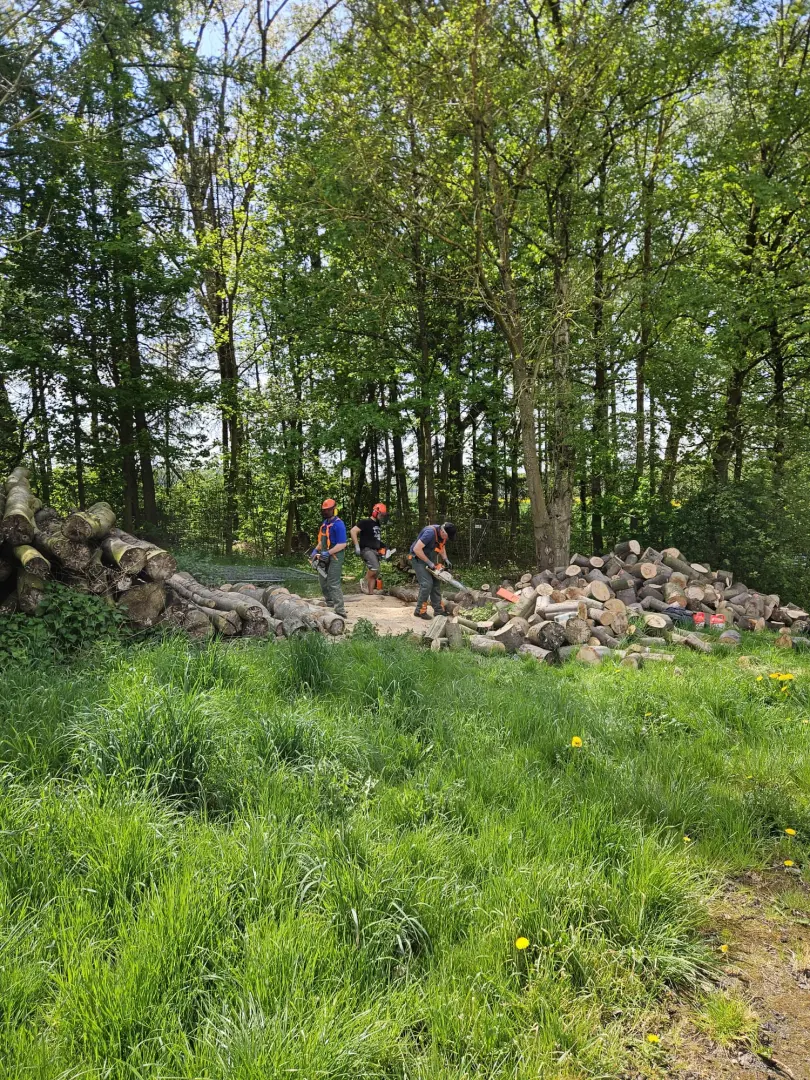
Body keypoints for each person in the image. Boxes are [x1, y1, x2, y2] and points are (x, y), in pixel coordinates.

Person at [409, 521, 457, 619]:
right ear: (443, 532)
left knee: (436, 583)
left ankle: (438, 610)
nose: (447, 539)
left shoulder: (443, 536)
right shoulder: (430, 533)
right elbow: (416, 549)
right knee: (426, 584)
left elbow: (442, 546)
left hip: (430, 559)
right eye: (447, 537)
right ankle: (419, 611)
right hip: (418, 559)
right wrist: (430, 563)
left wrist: (446, 559)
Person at [312, 498, 348, 617]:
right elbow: (322, 540)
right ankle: (330, 603)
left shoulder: (339, 524)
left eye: (328, 510)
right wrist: (315, 550)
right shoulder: (325, 523)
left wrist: (328, 552)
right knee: (322, 580)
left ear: (334, 510)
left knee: (333, 582)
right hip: (324, 553)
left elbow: (342, 544)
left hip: (335, 555)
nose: (325, 512)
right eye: (324, 510)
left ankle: (340, 611)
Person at [351, 502, 390, 594]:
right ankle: (364, 581)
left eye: (383, 515)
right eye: (381, 514)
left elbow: (376, 540)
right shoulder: (365, 522)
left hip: (374, 550)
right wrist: (357, 546)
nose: (381, 517)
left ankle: (370, 593)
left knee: (375, 573)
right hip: (366, 549)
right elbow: (353, 531)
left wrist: (385, 548)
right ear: (375, 512)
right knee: (375, 567)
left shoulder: (377, 524)